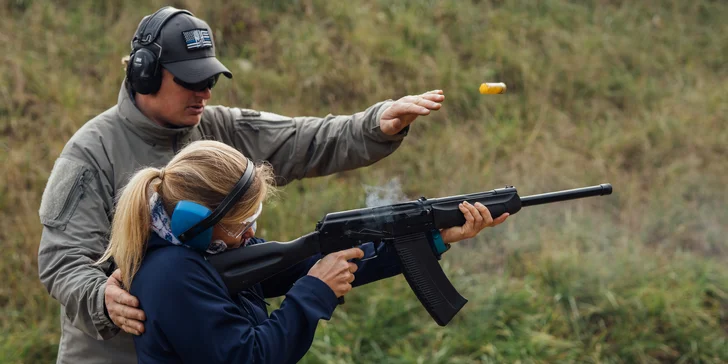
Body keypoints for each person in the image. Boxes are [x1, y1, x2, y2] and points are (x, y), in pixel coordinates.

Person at [36, 6, 504, 364]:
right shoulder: (89, 154)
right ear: (144, 72)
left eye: (211, 79)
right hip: (114, 351)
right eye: (191, 81)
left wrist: (374, 126)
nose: (206, 93)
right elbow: (60, 259)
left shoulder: (217, 126)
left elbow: (302, 138)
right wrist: (102, 298)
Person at [93, 140, 506, 363]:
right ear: (194, 222)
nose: (251, 233)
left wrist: (433, 238)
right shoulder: (173, 276)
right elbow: (252, 356)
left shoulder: (204, 252)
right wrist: (313, 292)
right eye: (241, 222)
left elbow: (312, 264)